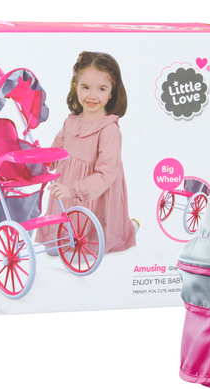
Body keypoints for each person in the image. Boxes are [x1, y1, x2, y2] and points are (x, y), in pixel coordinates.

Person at [37, 51, 137, 254]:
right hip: (67, 190)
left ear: (111, 92)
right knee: (54, 247)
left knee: (86, 246)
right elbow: (55, 152)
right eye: (85, 87)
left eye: (101, 89)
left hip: (93, 193)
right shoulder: (71, 122)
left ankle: (128, 227)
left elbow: (106, 173)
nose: (92, 96)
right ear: (76, 87)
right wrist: (39, 164)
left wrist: (73, 189)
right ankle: (65, 233)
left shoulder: (109, 130)